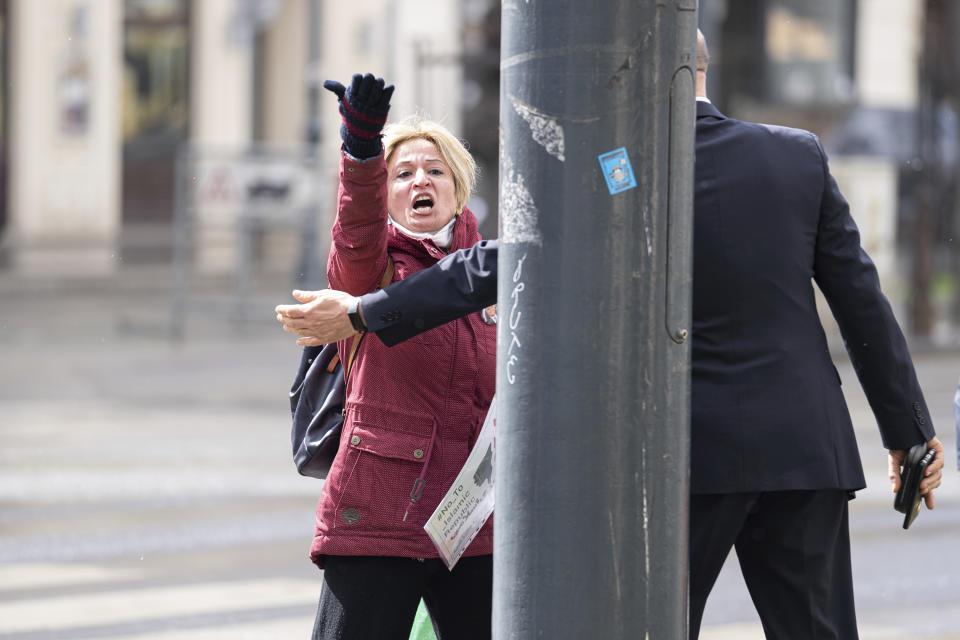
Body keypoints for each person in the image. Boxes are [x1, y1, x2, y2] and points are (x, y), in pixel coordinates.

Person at [278, 34, 945, 639]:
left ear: (642, 74)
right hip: (804, 449)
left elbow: (502, 261)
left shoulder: (615, 167)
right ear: (703, 72)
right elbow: (862, 300)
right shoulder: (795, 156)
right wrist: (908, 431)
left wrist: (367, 313)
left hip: (679, 458)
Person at [281, 73, 496, 640]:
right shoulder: (371, 271)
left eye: (434, 170)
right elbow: (356, 226)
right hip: (378, 513)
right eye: (403, 174)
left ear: (458, 185)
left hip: (475, 521)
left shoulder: (495, 273)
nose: (419, 180)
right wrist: (362, 148)